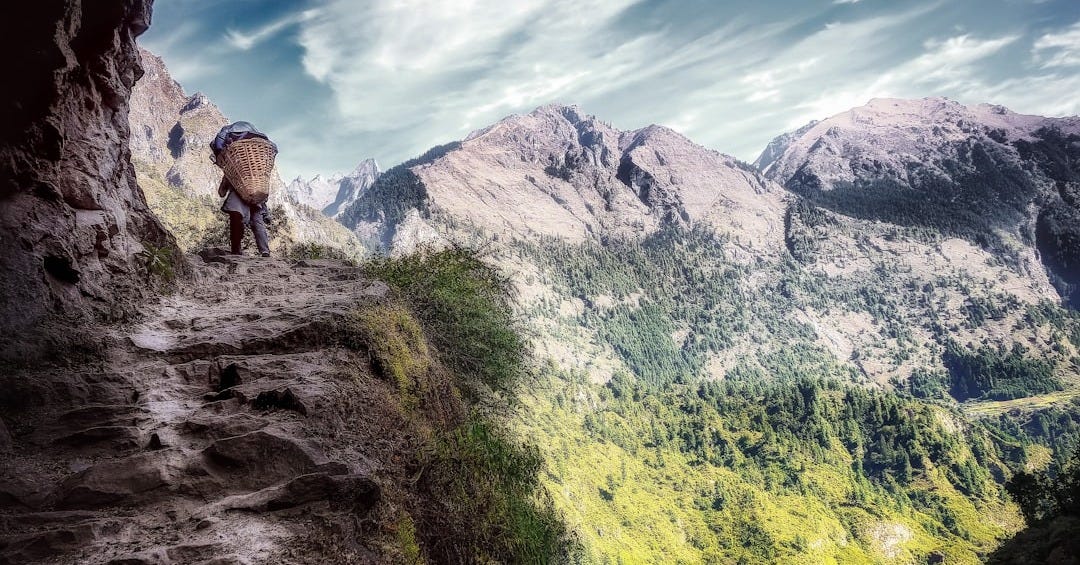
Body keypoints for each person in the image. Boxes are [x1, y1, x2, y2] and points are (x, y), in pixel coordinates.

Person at [211, 121, 274, 257]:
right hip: (256, 197)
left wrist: (224, 185)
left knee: (236, 220)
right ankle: (264, 251)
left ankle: (236, 249)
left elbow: (222, 192)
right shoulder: (256, 170)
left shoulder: (234, 169)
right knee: (258, 223)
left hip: (238, 197)